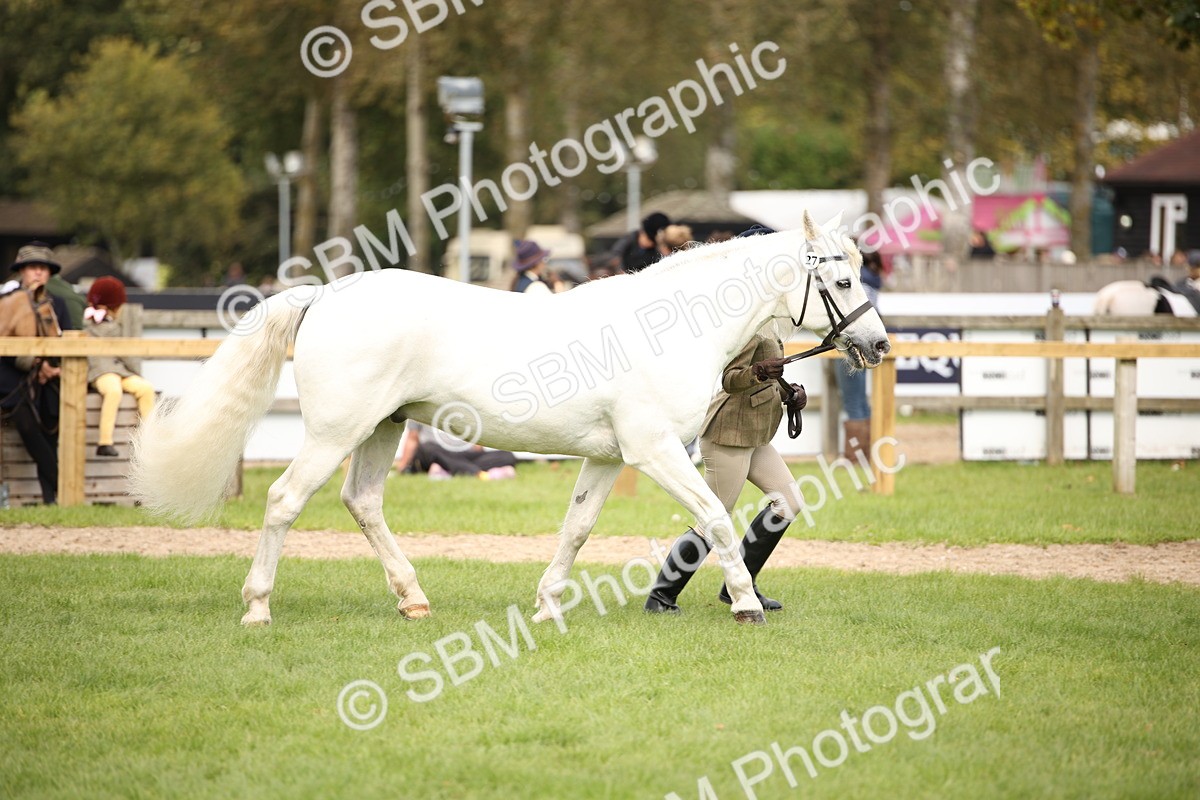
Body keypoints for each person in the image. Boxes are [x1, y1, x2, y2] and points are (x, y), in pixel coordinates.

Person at [644, 225, 808, 615]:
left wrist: (788, 391)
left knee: (789, 502)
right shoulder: (739, 315)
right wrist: (758, 373)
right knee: (713, 517)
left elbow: (766, 370)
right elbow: (729, 379)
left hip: (756, 433)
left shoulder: (767, 311)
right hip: (729, 432)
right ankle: (661, 597)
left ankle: (741, 585)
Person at [0, 242, 75, 504]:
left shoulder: (59, 304)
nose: (37, 273)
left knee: (51, 433)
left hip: (51, 378)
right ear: (22, 271)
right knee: (29, 427)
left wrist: (53, 368)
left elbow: (67, 339)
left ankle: (50, 499)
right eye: (32, 267)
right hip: (14, 377)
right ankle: (60, 484)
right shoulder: (7, 302)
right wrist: (35, 364)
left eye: (42, 268)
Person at [83, 276, 155, 457]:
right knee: (113, 390)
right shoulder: (90, 324)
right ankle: (104, 441)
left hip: (119, 369)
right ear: (110, 306)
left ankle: (148, 436)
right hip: (101, 370)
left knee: (146, 388)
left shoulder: (117, 324)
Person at [833, 247, 883, 459]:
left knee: (852, 400)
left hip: (851, 345)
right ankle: (868, 451)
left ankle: (855, 455)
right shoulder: (873, 283)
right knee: (861, 400)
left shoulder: (855, 283)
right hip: (869, 345)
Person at [395, 421, 518, 480]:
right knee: (428, 448)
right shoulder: (419, 406)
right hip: (434, 452)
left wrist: (477, 447)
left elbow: (476, 440)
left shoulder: (464, 403)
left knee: (507, 456)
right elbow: (412, 438)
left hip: (462, 453)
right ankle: (479, 474)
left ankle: (445, 470)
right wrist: (403, 464)